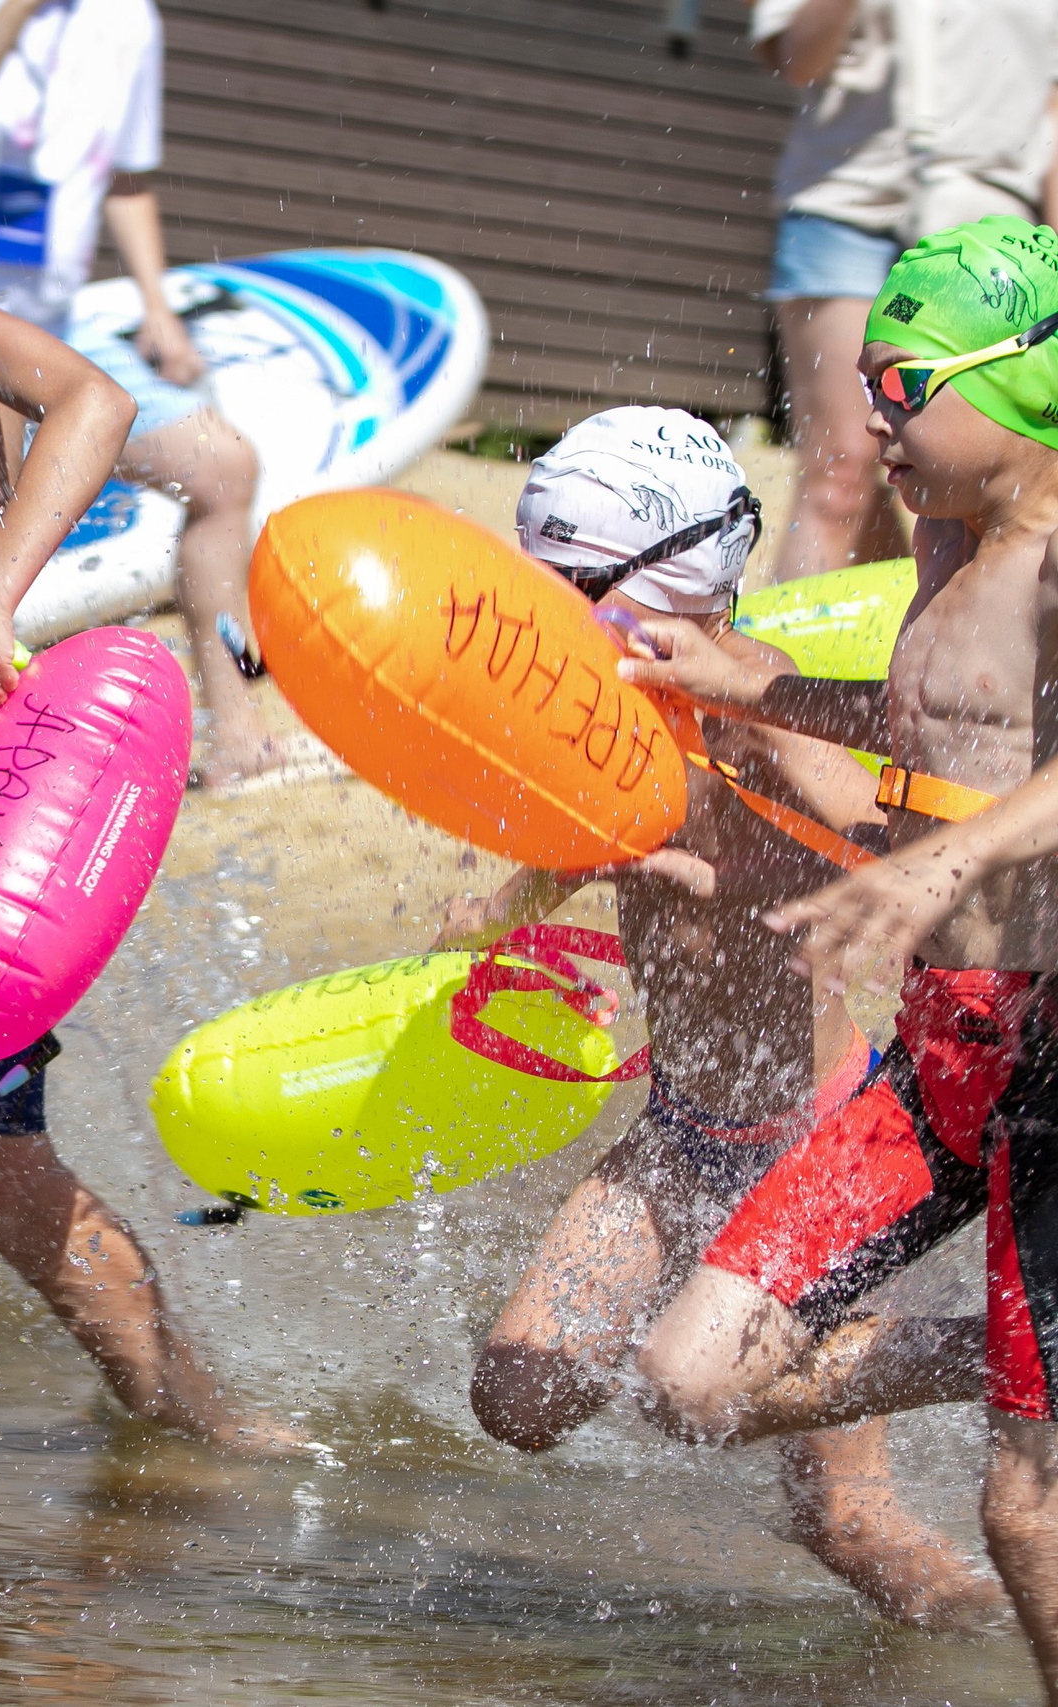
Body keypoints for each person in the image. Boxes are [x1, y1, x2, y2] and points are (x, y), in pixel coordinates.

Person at [440, 406, 997, 1627]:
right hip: (686, 1127)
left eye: (563, 585)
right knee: (518, 1399)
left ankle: (982, 1596)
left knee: (846, 1522)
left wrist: (676, 868)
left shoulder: (758, 714)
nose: (539, 614)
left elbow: (875, 861)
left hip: (812, 1135)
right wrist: (500, 902)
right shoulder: (601, 714)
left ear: (664, 582)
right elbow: (584, 833)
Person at [617, 217, 1058, 1692]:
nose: (874, 412)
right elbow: (953, 726)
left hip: (1051, 1048)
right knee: (692, 1377)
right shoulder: (948, 539)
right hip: (944, 1044)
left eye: (907, 378)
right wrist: (762, 682)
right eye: (869, 378)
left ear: (1025, 383)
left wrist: (949, 851)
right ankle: (1003, 1347)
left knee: (1024, 1513)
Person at [0, 0, 268, 788]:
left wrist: (157, 307)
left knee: (224, 467)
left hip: (59, 329)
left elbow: (125, 178)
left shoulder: (128, 19)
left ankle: (237, 729)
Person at [754, 0, 1058, 582]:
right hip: (846, 204)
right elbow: (795, 59)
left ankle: (905, 648)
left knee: (971, 500)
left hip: (986, 229)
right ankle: (779, 669)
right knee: (840, 476)